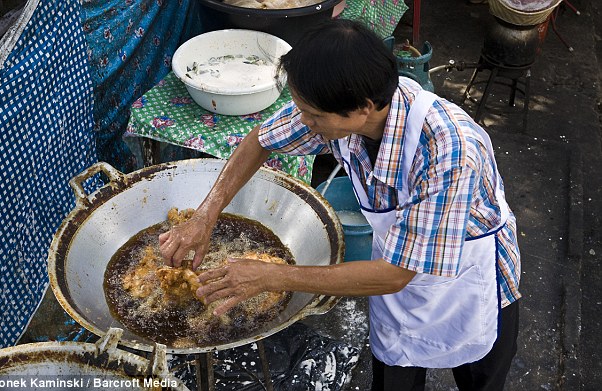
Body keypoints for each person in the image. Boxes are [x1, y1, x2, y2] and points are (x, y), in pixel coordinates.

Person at [159, 19, 521, 391]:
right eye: (301, 110)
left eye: (313, 115)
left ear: (363, 107)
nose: (304, 122)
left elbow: (396, 274)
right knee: (396, 373)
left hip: (465, 281)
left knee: (478, 377)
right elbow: (262, 140)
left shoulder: (449, 151)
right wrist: (205, 216)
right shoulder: (337, 109)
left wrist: (269, 275)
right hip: (394, 266)